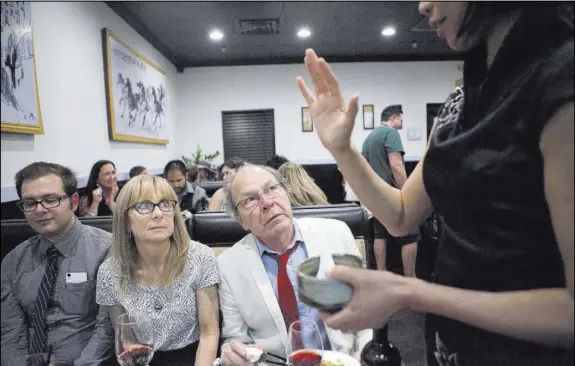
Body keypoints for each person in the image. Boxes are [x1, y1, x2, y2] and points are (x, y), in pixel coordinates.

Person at [296, 2, 573, 365]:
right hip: (452, 349)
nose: (423, 5)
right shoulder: (460, 102)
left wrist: (410, 291)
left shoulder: (560, 81)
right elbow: (401, 214)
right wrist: (342, 149)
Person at [217, 164, 372, 366]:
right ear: (240, 220)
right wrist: (232, 352)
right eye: (250, 199)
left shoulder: (336, 234)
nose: (266, 202)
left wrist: (364, 354)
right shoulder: (228, 265)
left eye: (272, 189)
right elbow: (235, 338)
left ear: (286, 192)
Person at [96, 175, 220, 366]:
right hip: (143, 359)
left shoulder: (200, 257)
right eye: (144, 206)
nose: (157, 214)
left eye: (165, 204)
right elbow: (126, 340)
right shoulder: (110, 271)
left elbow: (209, 334)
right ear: (125, 220)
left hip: (194, 357)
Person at [1, 162, 113, 365]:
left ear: (74, 201)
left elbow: (106, 330)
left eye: (50, 200)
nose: (39, 210)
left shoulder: (107, 250)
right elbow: (10, 332)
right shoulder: (13, 261)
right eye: (29, 203)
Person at [361, 104, 419, 276]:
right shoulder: (391, 133)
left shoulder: (370, 137)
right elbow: (397, 166)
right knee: (410, 232)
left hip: (376, 196)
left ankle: (381, 273)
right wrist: (408, 192)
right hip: (393, 193)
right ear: (393, 118)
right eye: (400, 118)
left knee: (380, 234)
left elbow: (363, 168)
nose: (401, 122)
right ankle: (410, 277)